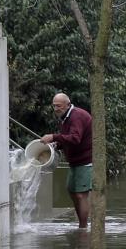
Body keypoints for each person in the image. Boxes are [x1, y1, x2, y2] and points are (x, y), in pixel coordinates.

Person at [41, 93, 93, 228]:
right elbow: (67, 138)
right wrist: (56, 145)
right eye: (54, 106)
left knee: (81, 195)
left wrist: (53, 137)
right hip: (75, 161)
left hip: (85, 161)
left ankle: (83, 228)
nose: (56, 109)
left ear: (68, 105)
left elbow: (75, 138)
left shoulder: (77, 116)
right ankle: (82, 225)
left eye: (59, 106)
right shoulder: (66, 117)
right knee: (71, 190)